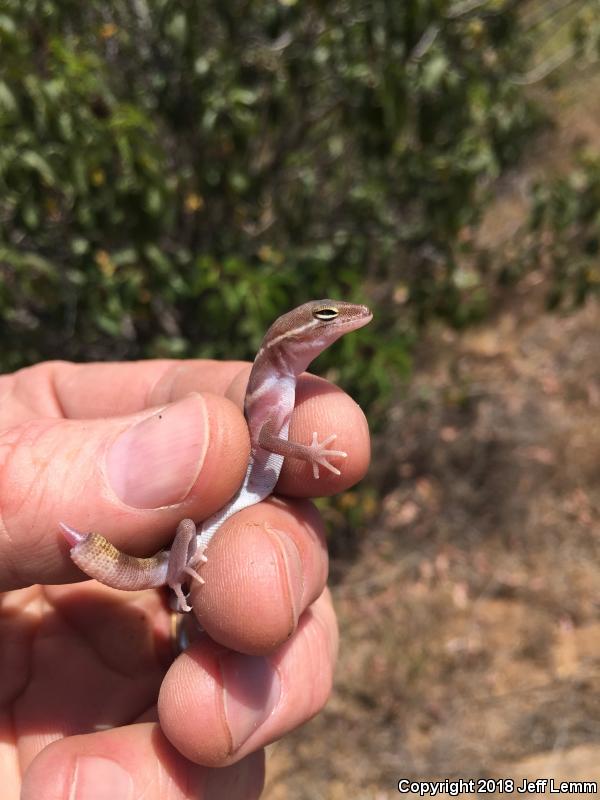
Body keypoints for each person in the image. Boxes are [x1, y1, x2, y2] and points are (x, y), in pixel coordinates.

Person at [0, 358, 371, 799]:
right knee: (197, 541)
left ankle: (174, 590)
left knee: (245, 588)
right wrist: (309, 452)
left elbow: (268, 440)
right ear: (288, 341)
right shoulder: (272, 390)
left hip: (187, 552)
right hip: (179, 549)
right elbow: (270, 439)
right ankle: (159, 573)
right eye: (328, 316)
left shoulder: (278, 388)